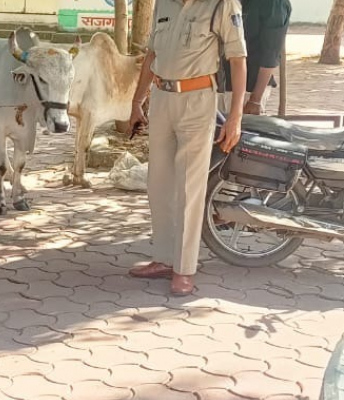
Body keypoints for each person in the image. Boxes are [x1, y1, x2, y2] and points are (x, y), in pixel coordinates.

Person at [127, 0, 248, 295]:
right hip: (161, 97)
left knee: (188, 187)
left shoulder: (222, 4)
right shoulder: (164, 4)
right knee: (158, 183)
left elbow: (238, 59)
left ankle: (183, 269)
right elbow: (152, 54)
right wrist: (137, 101)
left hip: (197, 100)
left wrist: (235, 117)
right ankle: (164, 258)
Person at [218, 0, 292, 115]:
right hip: (215, 87)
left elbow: (270, 55)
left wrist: (255, 100)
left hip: (248, 89)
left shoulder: (273, 4)